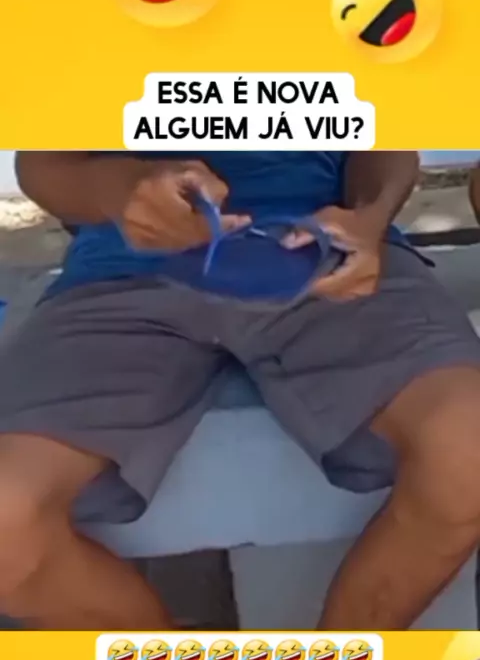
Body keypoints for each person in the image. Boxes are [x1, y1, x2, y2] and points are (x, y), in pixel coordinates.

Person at [2, 150, 480, 631]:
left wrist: (368, 216)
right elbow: (42, 165)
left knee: (466, 454)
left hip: (328, 257)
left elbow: (383, 141)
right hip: (121, 272)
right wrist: (121, 188)